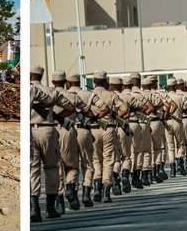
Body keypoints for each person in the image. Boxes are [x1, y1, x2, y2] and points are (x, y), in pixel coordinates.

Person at [30, 65, 75, 222]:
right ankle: (50, 208)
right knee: (51, 168)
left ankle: (34, 208)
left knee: (33, 170)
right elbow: (70, 107)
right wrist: (56, 117)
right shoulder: (51, 92)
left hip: (30, 130)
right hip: (48, 130)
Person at [67, 73, 108, 207]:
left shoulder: (62, 94)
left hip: (67, 131)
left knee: (71, 164)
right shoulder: (88, 94)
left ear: (67, 83)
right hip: (84, 130)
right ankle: (86, 193)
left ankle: (71, 189)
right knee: (88, 164)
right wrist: (94, 119)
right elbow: (105, 108)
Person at [51, 71, 89, 213]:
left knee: (56, 167)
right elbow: (87, 111)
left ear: (53, 82)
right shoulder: (73, 97)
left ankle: (59, 202)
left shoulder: (46, 95)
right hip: (68, 131)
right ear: (64, 82)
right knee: (72, 165)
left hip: (50, 131)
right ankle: (70, 186)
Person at [91, 70, 129, 203]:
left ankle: (96, 188)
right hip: (108, 129)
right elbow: (124, 109)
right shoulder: (111, 95)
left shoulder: (89, 95)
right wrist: (116, 117)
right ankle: (106, 192)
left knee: (96, 160)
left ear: (93, 81)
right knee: (108, 160)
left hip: (93, 129)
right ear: (106, 82)